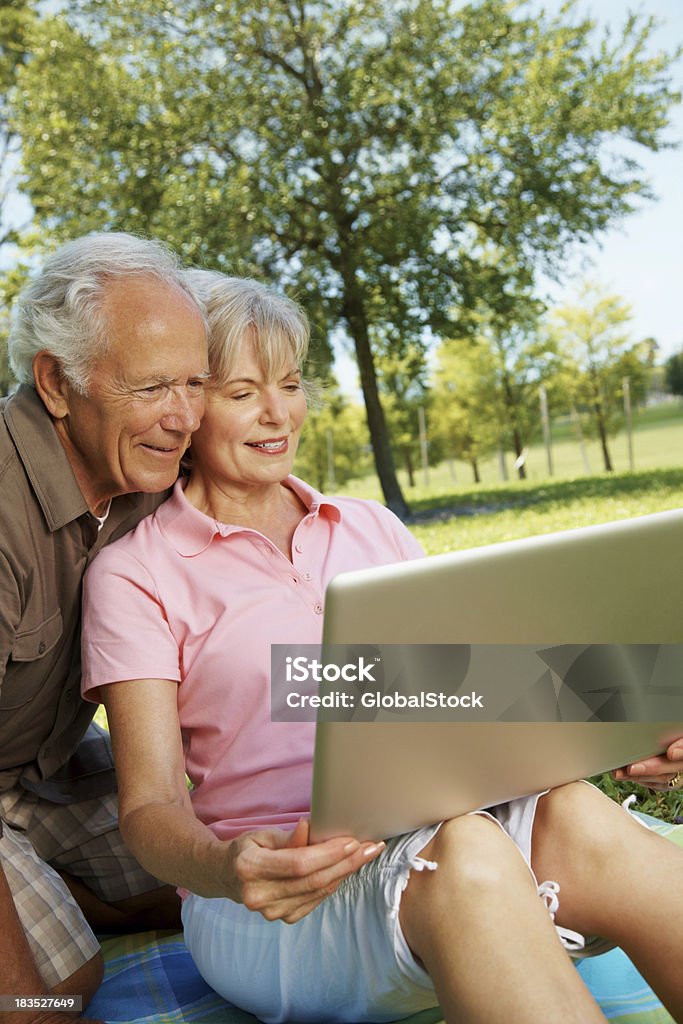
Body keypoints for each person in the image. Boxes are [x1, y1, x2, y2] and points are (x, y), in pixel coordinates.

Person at [81, 271, 683, 1024]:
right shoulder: (136, 573)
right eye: (241, 393)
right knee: (466, 853)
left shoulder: (372, 529)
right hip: (276, 904)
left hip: (439, 840)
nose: (278, 414)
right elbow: (150, 808)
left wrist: (624, 728)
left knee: (578, 814)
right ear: (191, 405)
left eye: (292, 383)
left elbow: (463, 698)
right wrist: (227, 868)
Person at [0, 233, 209, 1023]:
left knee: (211, 877)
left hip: (38, 767)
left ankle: (62, 888)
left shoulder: (149, 470)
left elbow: (304, 591)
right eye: (154, 385)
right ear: (57, 382)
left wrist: (600, 693)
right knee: (45, 1000)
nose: (185, 416)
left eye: (196, 381)